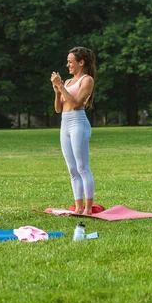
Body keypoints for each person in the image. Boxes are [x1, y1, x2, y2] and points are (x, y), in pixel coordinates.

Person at [50, 46, 96, 215]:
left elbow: (76, 103)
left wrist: (61, 86)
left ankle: (88, 209)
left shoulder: (87, 80)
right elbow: (58, 109)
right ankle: (78, 207)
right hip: (65, 124)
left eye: (71, 62)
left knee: (82, 167)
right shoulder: (68, 82)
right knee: (72, 169)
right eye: (68, 62)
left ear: (81, 62)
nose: (68, 65)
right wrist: (57, 91)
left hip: (78, 123)